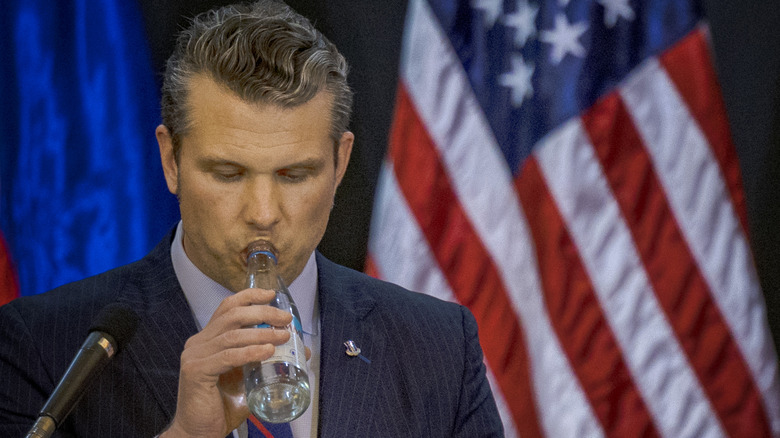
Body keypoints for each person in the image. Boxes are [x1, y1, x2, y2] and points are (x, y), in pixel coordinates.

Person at [0, 1, 504, 437]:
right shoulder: (43, 346)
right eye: (227, 173)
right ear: (171, 160)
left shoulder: (439, 346)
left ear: (340, 165)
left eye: (294, 175)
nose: (263, 214)